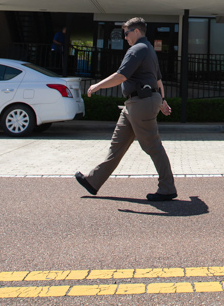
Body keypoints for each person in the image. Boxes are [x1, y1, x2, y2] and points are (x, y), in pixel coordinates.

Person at [75, 17, 177, 201]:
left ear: (136, 31)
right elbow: (158, 80)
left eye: (127, 33)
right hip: (134, 104)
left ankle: (167, 188)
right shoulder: (149, 50)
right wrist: (162, 101)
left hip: (141, 104)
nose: (125, 37)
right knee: (117, 146)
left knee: (153, 146)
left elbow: (121, 76)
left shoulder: (137, 49)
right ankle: (93, 181)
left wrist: (97, 85)